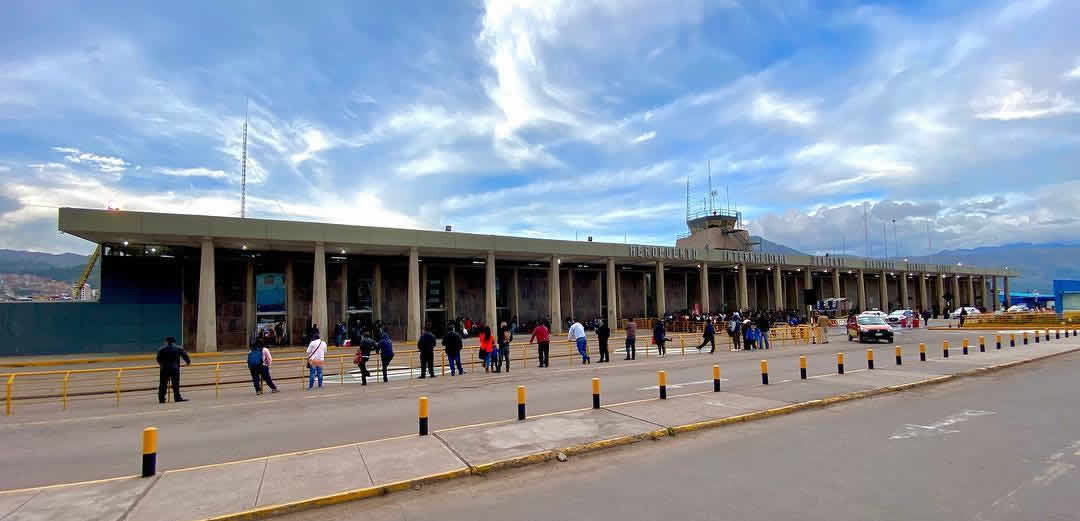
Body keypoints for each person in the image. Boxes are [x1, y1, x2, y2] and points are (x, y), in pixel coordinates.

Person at [156, 336, 190, 403]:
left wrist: (161, 364)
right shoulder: (178, 348)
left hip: (164, 369)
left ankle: (161, 398)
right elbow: (185, 355)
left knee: (163, 384)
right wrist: (188, 362)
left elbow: (158, 359)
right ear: (174, 341)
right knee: (175, 384)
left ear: (166, 341)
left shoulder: (161, 349)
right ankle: (177, 397)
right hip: (175, 368)